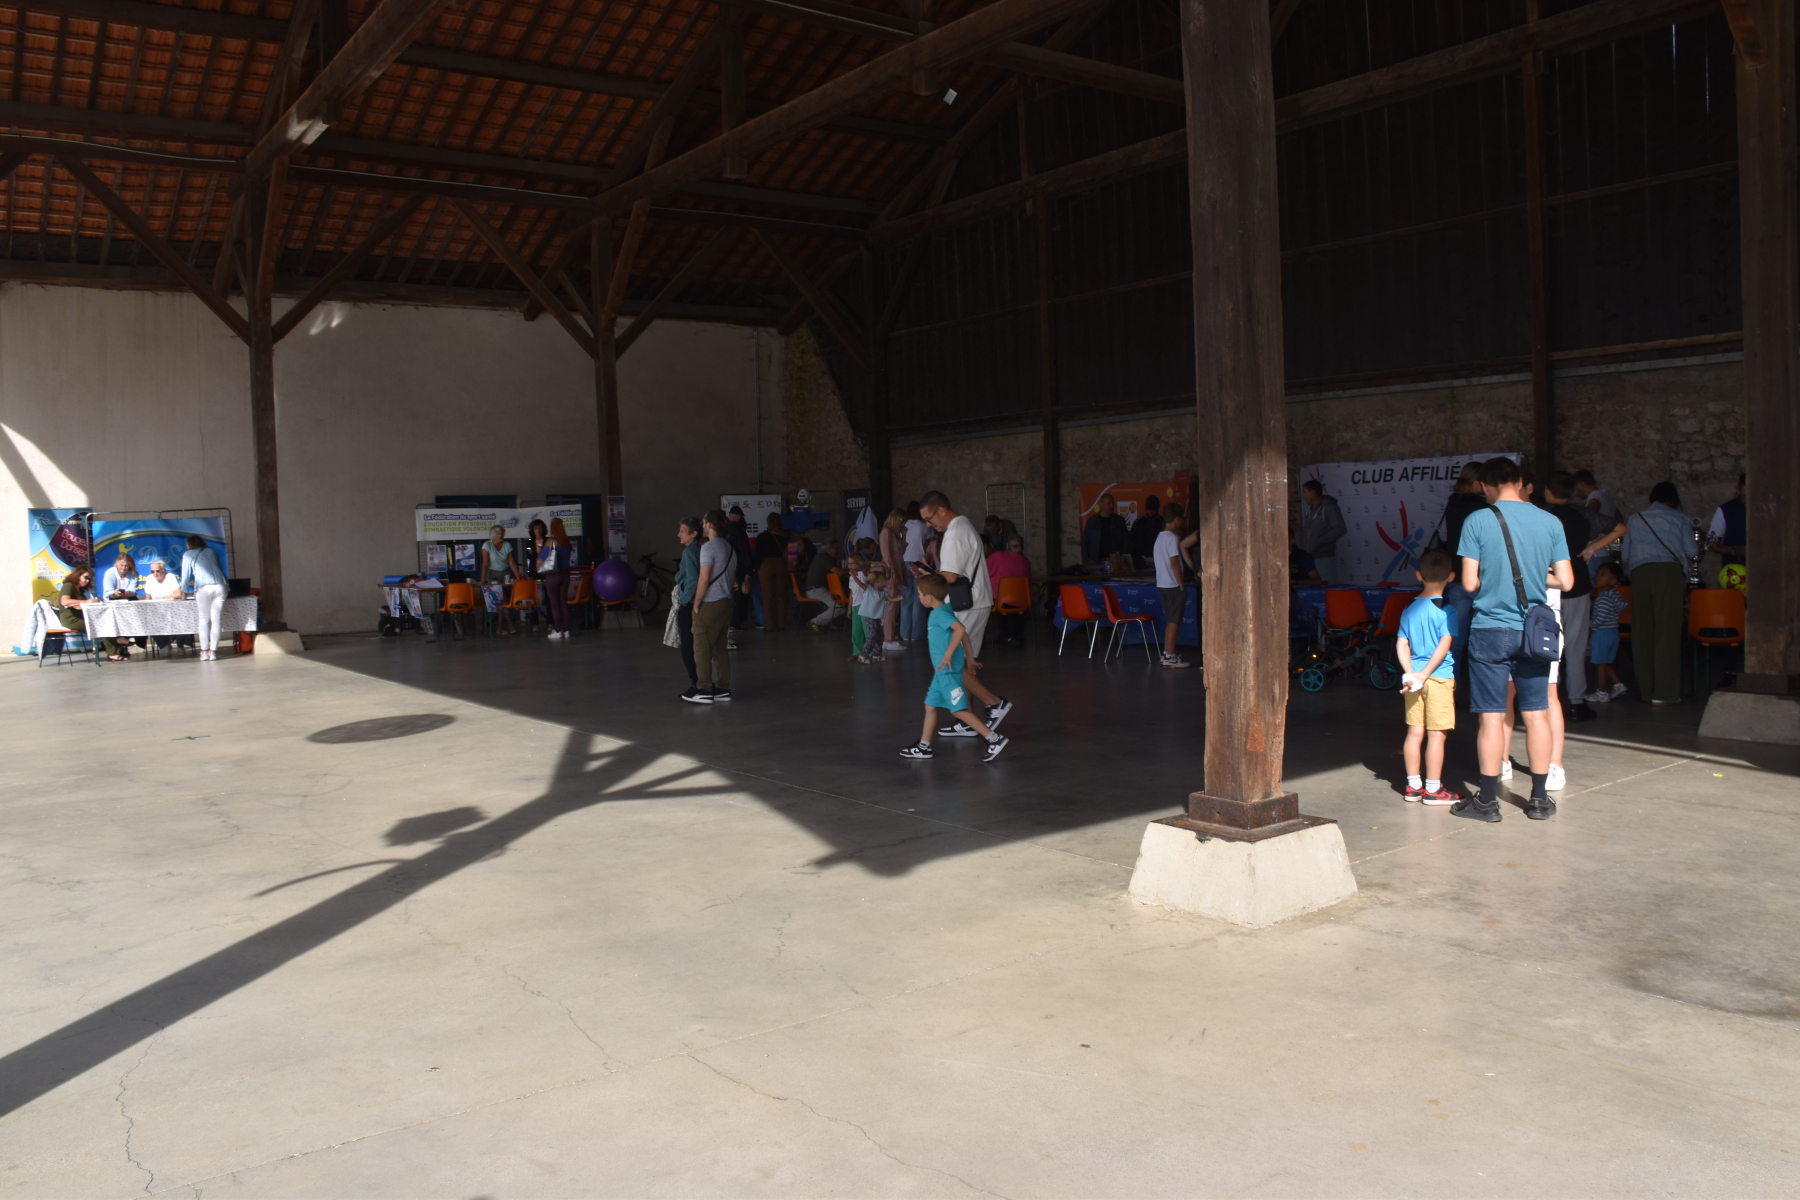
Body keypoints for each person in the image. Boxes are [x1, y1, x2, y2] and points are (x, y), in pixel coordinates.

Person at [1454, 456, 1573, 823]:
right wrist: (1536, 577)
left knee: (1491, 717)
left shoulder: (1477, 520)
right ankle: (1538, 799)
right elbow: (1566, 581)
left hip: (1490, 629)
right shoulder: (1549, 521)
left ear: (1485, 486)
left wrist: (1495, 577)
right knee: (1536, 714)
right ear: (1521, 482)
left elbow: (1469, 583)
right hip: (1535, 631)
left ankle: (1487, 803)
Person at [917, 491, 1013, 738]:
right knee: (960, 663)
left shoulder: (955, 533)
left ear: (941, 509)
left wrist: (928, 577)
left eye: (929, 518)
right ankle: (968, 720)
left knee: (951, 664)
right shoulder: (963, 525)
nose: (929, 525)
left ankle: (994, 703)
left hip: (966, 605)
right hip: (974, 601)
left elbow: (950, 576)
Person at [898, 574, 1009, 762]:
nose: (918, 597)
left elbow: (960, 630)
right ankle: (924, 747)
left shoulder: (939, 614)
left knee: (958, 710)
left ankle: (994, 739)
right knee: (930, 706)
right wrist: (970, 659)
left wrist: (948, 654)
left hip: (947, 672)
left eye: (919, 594)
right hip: (941, 672)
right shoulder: (945, 609)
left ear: (929, 597)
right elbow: (963, 633)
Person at [1396, 549, 1461, 804]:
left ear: (1419, 575)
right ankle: (1433, 790)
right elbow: (1445, 645)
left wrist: (1410, 673)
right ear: (1452, 576)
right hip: (1439, 678)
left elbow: (1402, 643)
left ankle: (1413, 787)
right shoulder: (1447, 610)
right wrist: (1424, 675)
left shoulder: (1409, 608)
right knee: (1436, 735)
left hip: (1413, 680)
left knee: (1414, 733)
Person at [1621, 480, 1691, 705]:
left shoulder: (1635, 518)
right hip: (1668, 573)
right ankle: (1664, 693)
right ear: (1672, 500)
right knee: (1667, 632)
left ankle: (1646, 690)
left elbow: (1625, 555)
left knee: (1642, 632)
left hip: (1640, 574)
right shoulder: (1680, 517)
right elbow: (1691, 550)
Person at [687, 510, 736, 703]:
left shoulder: (708, 548)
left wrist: (696, 602)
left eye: (703, 522)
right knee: (720, 647)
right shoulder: (730, 548)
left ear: (708, 524)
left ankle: (704, 689)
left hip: (711, 602)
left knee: (701, 647)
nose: (702, 526)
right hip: (727, 602)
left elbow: (704, 578)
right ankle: (723, 688)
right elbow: (733, 579)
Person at [1154, 503, 1196, 669]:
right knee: (1174, 621)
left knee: (1171, 620)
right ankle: (1170, 657)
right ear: (1177, 519)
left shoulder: (1159, 538)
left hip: (1162, 584)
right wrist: (1181, 584)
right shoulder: (1172, 538)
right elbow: (1174, 563)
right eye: (1181, 520)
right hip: (1173, 585)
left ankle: (1167, 654)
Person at [58, 565, 127, 660]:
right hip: (72, 620)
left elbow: (81, 605)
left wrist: (95, 602)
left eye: (89, 579)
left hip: (82, 617)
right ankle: (113, 649)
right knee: (99, 627)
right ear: (78, 575)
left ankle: (117, 642)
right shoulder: (68, 586)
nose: (87, 581)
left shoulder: (80, 590)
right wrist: (86, 601)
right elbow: (64, 601)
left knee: (105, 622)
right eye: (86, 577)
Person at [180, 534, 229, 661]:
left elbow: (186, 575)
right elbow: (219, 568)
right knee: (216, 618)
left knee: (204, 619)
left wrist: (184, 592)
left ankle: (204, 651)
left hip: (204, 586)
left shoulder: (187, 554)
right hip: (221, 585)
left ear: (190, 545)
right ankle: (213, 652)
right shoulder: (211, 551)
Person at [1584, 563, 1628, 703]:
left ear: (1613, 580)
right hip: (1613, 633)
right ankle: (1618, 685)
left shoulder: (1603, 598)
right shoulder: (1615, 595)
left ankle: (1602, 692)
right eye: (1598, 574)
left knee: (1600, 664)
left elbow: (1599, 620)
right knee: (1606, 662)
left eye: (1603, 575)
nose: (1598, 577)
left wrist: (1588, 626)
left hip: (1601, 634)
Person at [674, 517, 704, 700]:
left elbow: (692, 579)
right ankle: (702, 681)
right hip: (697, 602)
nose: (679, 534)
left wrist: (683, 601)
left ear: (694, 534)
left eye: (683, 531)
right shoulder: (700, 550)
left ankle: (696, 682)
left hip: (689, 604)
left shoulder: (690, 552)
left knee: (687, 646)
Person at [984, 535, 1032, 647]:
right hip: (1023, 602)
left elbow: (983, 572)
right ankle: (1013, 636)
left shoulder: (997, 557)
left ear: (1007, 546)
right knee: (1013, 608)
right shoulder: (1026, 561)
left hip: (1001, 602)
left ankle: (1005, 636)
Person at [1297, 481, 1348, 583]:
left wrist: (1320, 541)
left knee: (1325, 587)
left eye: (1305, 492)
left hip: (1324, 557)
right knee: (1311, 588)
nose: (1303, 495)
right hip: (1309, 557)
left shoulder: (1329, 507)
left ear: (1313, 493)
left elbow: (1340, 528)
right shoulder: (1309, 509)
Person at [141, 558, 193, 653]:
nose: (155, 573)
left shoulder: (170, 577)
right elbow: (148, 596)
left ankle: (180, 645)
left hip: (172, 609)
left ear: (163, 570)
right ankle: (165, 645)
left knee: (182, 621)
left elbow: (178, 594)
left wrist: (163, 597)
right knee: (148, 623)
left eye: (157, 571)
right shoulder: (149, 578)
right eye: (152, 571)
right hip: (156, 610)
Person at [479, 525, 521, 634]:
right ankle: (509, 625)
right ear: (495, 534)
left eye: (503, 532)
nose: (503, 535)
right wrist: (483, 579)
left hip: (505, 574)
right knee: (501, 601)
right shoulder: (487, 545)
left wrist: (518, 576)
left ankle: (500, 628)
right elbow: (485, 564)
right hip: (492, 575)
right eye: (501, 533)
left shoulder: (507, 545)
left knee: (505, 601)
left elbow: (512, 563)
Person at [538, 517, 575, 639]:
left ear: (552, 529)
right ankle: (566, 630)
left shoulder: (551, 541)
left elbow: (541, 558)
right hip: (565, 575)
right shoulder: (567, 542)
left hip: (553, 575)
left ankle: (558, 630)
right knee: (563, 602)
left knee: (554, 604)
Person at [754, 513, 791, 632]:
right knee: (781, 596)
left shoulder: (762, 536)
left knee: (768, 596)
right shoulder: (785, 536)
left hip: (766, 565)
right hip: (781, 564)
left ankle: (770, 625)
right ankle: (781, 624)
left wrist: (756, 567)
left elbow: (758, 554)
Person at [879, 510, 908, 651]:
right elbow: (887, 555)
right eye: (902, 520)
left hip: (897, 571)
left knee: (894, 607)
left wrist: (904, 535)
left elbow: (901, 552)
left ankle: (888, 638)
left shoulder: (895, 534)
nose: (904, 523)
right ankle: (888, 639)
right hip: (892, 573)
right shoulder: (886, 533)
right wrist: (893, 571)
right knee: (892, 606)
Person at [901, 502, 929, 641]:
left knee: (906, 599)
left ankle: (905, 633)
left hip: (904, 561)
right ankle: (916, 635)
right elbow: (928, 544)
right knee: (919, 599)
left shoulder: (903, 525)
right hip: (918, 562)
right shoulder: (923, 525)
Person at [725, 506, 755, 636]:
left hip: (726, 570)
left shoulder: (723, 530)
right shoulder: (739, 532)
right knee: (739, 597)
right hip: (739, 568)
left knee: (729, 595)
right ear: (739, 516)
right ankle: (735, 623)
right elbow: (744, 552)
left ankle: (728, 623)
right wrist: (749, 570)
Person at [1080, 493, 1129, 568]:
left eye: (1112, 503)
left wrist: (1121, 558)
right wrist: (1087, 560)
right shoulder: (1092, 521)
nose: (1111, 506)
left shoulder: (1119, 521)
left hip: (1115, 563)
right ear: (1101, 504)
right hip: (1095, 562)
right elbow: (1085, 542)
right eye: (1108, 503)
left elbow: (1126, 541)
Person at [804, 536, 844, 630]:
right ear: (830, 549)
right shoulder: (825, 558)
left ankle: (825, 622)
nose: (837, 550)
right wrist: (852, 570)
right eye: (836, 548)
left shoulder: (821, 556)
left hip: (815, 590)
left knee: (838, 604)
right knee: (840, 607)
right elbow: (839, 572)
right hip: (817, 590)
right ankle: (816, 621)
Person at [1708, 473, 1746, 568]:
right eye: (1744, 496)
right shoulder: (1725, 510)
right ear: (1738, 490)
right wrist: (1737, 550)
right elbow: (1710, 544)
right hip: (1734, 572)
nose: (1748, 500)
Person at [856, 562, 891, 663]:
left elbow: (890, 598)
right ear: (877, 581)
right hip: (869, 617)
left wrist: (898, 598)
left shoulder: (883, 592)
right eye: (883, 581)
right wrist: (854, 575)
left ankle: (877, 655)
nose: (885, 583)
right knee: (872, 636)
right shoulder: (870, 589)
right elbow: (860, 584)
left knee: (880, 636)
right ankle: (862, 655)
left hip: (876, 618)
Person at [1127, 493, 1165, 569]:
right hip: (1139, 561)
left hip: (1157, 561)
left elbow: (1165, 544)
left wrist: (1155, 559)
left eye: (1153, 509)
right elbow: (1131, 541)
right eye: (1148, 509)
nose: (1150, 511)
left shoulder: (1163, 523)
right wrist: (1132, 556)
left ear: (1157, 508)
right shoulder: (1138, 522)